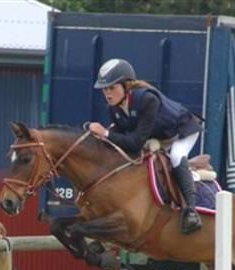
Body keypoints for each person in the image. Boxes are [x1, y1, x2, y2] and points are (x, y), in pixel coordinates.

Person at [87, 58, 203, 234]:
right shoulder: (114, 109)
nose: (107, 94)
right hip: (156, 135)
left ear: (126, 86)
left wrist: (105, 133)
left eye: (112, 88)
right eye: (104, 89)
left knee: (176, 156)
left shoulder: (147, 100)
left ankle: (191, 211)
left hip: (182, 130)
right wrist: (100, 138)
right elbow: (120, 141)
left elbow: (134, 143)